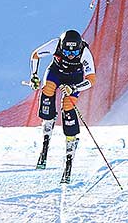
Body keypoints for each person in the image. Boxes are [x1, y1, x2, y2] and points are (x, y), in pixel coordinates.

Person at [29, 29, 96, 180]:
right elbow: (35, 55)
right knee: (48, 90)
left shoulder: (85, 52)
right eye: (66, 53)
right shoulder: (55, 45)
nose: (70, 56)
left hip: (75, 78)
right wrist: (34, 75)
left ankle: (70, 148)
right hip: (56, 73)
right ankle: (46, 138)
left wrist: (74, 88)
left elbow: (91, 79)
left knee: (68, 106)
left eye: (74, 53)